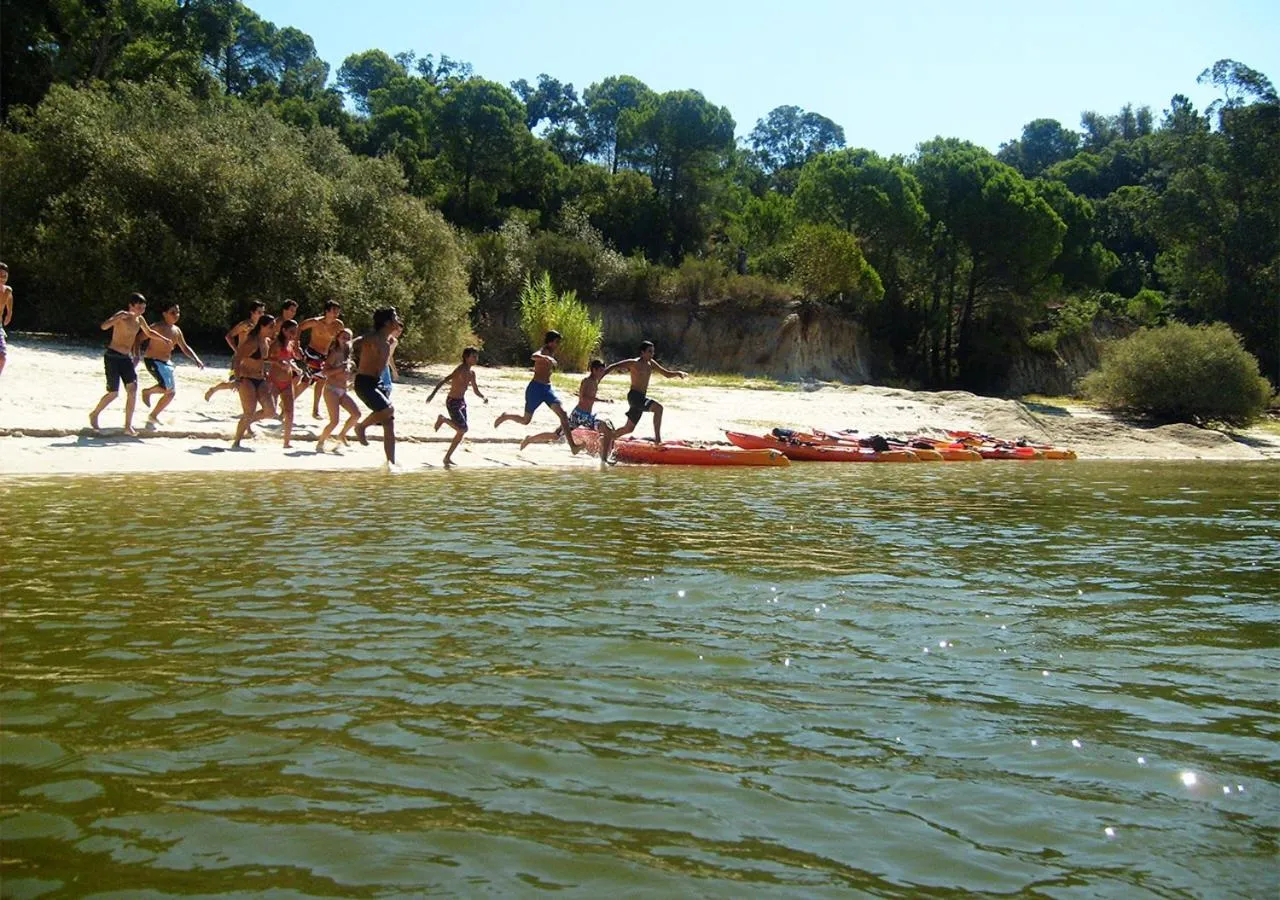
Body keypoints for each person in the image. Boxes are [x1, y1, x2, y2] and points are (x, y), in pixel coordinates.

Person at [89, 293, 170, 434]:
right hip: (112, 356)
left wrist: (164, 339)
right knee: (113, 393)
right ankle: (95, 413)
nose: (140, 311)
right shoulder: (122, 315)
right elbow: (104, 326)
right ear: (130, 306)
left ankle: (128, 425)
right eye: (138, 307)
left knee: (132, 390)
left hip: (126, 358)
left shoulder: (140, 320)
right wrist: (117, 318)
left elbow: (149, 332)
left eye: (143, 308)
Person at [493, 330, 581, 455]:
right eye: (556, 342)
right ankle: (506, 416)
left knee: (563, 414)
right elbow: (533, 356)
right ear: (550, 342)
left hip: (547, 389)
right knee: (525, 420)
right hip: (535, 389)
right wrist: (545, 357)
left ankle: (573, 446)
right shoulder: (543, 351)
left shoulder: (552, 352)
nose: (558, 344)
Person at [518, 359, 617, 462]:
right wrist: (602, 400)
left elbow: (607, 371)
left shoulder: (597, 380)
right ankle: (529, 439)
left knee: (607, 429)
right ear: (594, 370)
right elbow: (582, 398)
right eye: (600, 370)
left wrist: (615, 366)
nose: (602, 373)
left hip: (587, 416)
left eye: (603, 370)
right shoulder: (586, 381)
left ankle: (604, 458)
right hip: (579, 415)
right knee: (556, 435)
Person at [602, 340, 687, 445]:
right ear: (642, 352)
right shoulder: (634, 363)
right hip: (634, 397)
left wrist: (678, 373)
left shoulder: (651, 364)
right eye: (649, 351)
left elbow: (666, 374)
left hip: (641, 398)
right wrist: (599, 378)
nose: (652, 354)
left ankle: (607, 438)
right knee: (658, 408)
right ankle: (658, 440)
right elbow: (613, 366)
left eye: (653, 352)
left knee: (628, 428)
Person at [139, 301, 205, 428]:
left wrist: (196, 358)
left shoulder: (177, 330)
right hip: (153, 360)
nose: (176, 315)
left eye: (178, 312)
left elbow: (185, 347)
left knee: (171, 393)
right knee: (166, 388)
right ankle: (147, 392)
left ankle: (153, 415)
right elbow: (139, 338)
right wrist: (136, 354)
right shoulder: (157, 326)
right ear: (164, 314)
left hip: (166, 363)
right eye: (173, 312)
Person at [351, 307, 401, 467]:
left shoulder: (388, 342)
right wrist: (347, 360)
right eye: (395, 317)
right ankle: (361, 427)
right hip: (364, 383)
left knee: (389, 422)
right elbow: (352, 343)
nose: (398, 320)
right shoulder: (372, 338)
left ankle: (390, 463)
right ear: (387, 322)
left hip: (377, 383)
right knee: (389, 410)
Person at [427, 346, 487, 467]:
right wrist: (432, 394)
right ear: (466, 357)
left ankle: (447, 457)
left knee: (461, 432)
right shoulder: (460, 369)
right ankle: (443, 419)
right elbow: (445, 380)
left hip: (461, 403)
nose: (476, 359)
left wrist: (483, 397)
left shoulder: (472, 373)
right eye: (473, 356)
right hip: (452, 402)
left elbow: (475, 390)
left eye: (477, 356)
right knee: (463, 428)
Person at [205, 301, 266, 401]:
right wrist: (237, 350)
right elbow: (229, 336)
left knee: (250, 382)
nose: (261, 315)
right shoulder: (245, 324)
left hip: (252, 360)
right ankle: (214, 389)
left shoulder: (260, 327)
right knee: (235, 381)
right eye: (259, 312)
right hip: (239, 359)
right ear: (252, 312)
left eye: (263, 312)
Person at [231, 314, 276, 449]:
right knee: (248, 412)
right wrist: (237, 378)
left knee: (270, 411)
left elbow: (265, 360)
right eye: (271, 327)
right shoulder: (251, 341)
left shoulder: (267, 341)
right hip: (246, 379)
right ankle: (236, 441)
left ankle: (248, 422)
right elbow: (238, 358)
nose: (273, 329)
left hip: (260, 379)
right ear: (262, 326)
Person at [314, 328, 360, 452]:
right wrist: (339, 369)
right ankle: (320, 442)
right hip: (331, 390)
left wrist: (351, 380)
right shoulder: (335, 353)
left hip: (343, 390)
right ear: (338, 338)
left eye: (348, 338)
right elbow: (325, 372)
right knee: (334, 421)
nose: (345, 340)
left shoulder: (349, 355)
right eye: (343, 337)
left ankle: (342, 434)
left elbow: (350, 372)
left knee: (356, 414)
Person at [299, 301, 345, 418]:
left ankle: (315, 410)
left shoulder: (338, 325)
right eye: (334, 311)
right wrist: (296, 343)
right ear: (327, 311)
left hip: (325, 355)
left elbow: (342, 339)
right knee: (308, 381)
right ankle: (287, 404)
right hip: (312, 353)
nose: (336, 314)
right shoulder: (315, 322)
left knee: (320, 381)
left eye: (338, 311)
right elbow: (299, 328)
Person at [267, 318, 304, 448]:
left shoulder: (291, 344)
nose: (293, 334)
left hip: (287, 381)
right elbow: (267, 358)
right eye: (291, 331)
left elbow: (289, 360)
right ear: (283, 330)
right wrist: (278, 362)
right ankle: (247, 424)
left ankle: (286, 442)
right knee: (270, 411)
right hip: (274, 380)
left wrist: (296, 368)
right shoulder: (276, 343)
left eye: (295, 332)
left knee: (290, 412)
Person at [0, 262, 13, 379]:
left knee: (2, 356)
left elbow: (9, 307)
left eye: (5, 276)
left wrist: (8, 315)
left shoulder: (7, 291)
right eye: (0, 275)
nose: (2, 279)